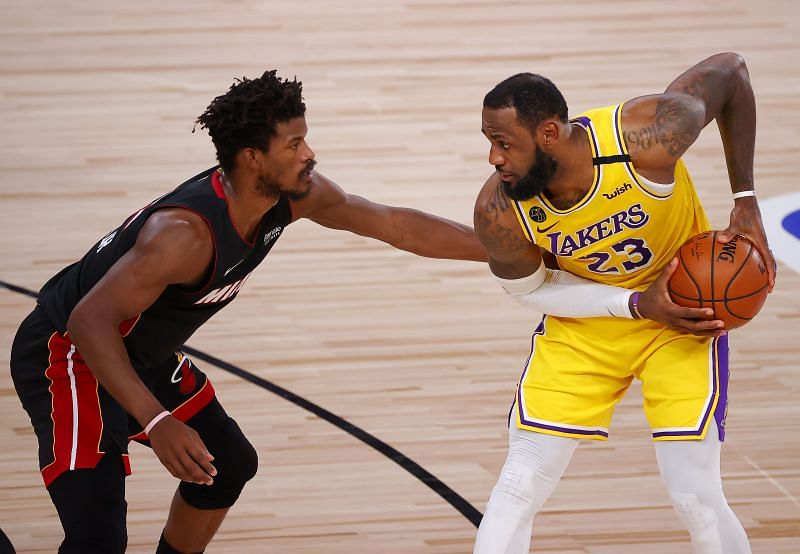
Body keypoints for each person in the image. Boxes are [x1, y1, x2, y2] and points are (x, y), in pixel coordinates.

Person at [9, 70, 487, 554]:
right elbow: (88, 322)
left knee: (227, 466)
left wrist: (499, 251)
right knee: (98, 539)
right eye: (294, 144)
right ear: (253, 157)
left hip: (140, 352)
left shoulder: (295, 194)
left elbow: (394, 225)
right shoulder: (183, 235)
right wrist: (156, 420)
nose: (309, 154)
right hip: (72, 354)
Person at [472, 52, 776, 554]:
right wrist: (633, 304)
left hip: (684, 316)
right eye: (490, 143)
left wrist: (745, 198)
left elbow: (733, 72)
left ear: (549, 133)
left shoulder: (644, 137)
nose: (493, 159)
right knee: (517, 486)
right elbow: (529, 290)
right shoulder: (499, 211)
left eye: (503, 143)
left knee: (695, 498)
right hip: (588, 319)